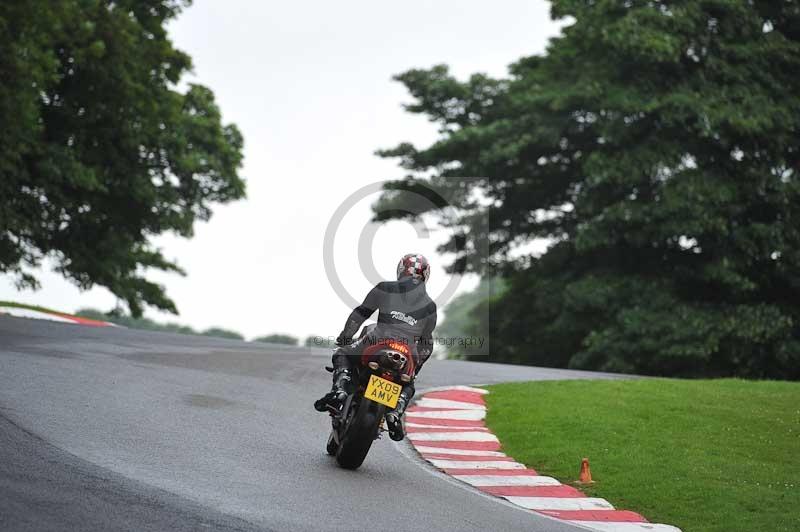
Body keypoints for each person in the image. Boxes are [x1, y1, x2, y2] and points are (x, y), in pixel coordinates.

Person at [314, 253, 437, 441]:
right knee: (409, 383)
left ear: (401, 270)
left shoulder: (386, 288)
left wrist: (345, 337)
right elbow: (427, 342)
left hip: (378, 342)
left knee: (342, 354)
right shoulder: (430, 306)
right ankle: (395, 412)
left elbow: (361, 313)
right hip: (406, 353)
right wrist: (416, 366)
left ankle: (340, 390)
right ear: (425, 275)